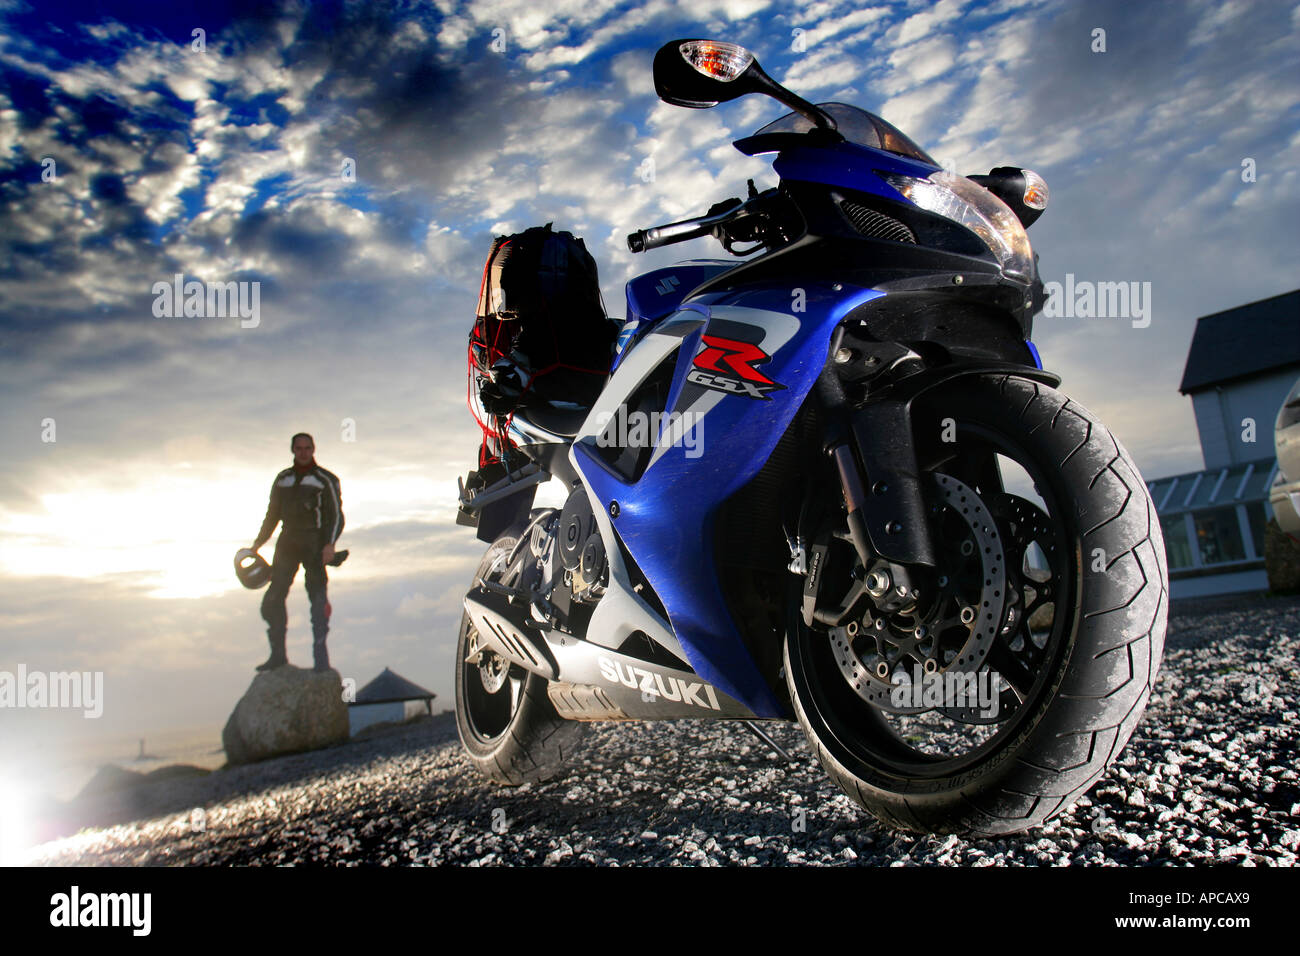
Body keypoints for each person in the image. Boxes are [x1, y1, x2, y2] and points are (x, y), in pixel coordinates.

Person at [250, 433, 344, 672]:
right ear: (292, 450)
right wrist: (257, 544)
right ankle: (278, 657)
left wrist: (330, 545)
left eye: (307, 448)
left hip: (314, 543)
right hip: (287, 543)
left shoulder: (326, 479)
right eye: (299, 448)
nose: (303, 452)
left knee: (318, 602)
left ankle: (321, 662)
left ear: (313, 449)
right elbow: (272, 515)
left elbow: (336, 516)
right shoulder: (283, 479)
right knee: (272, 600)